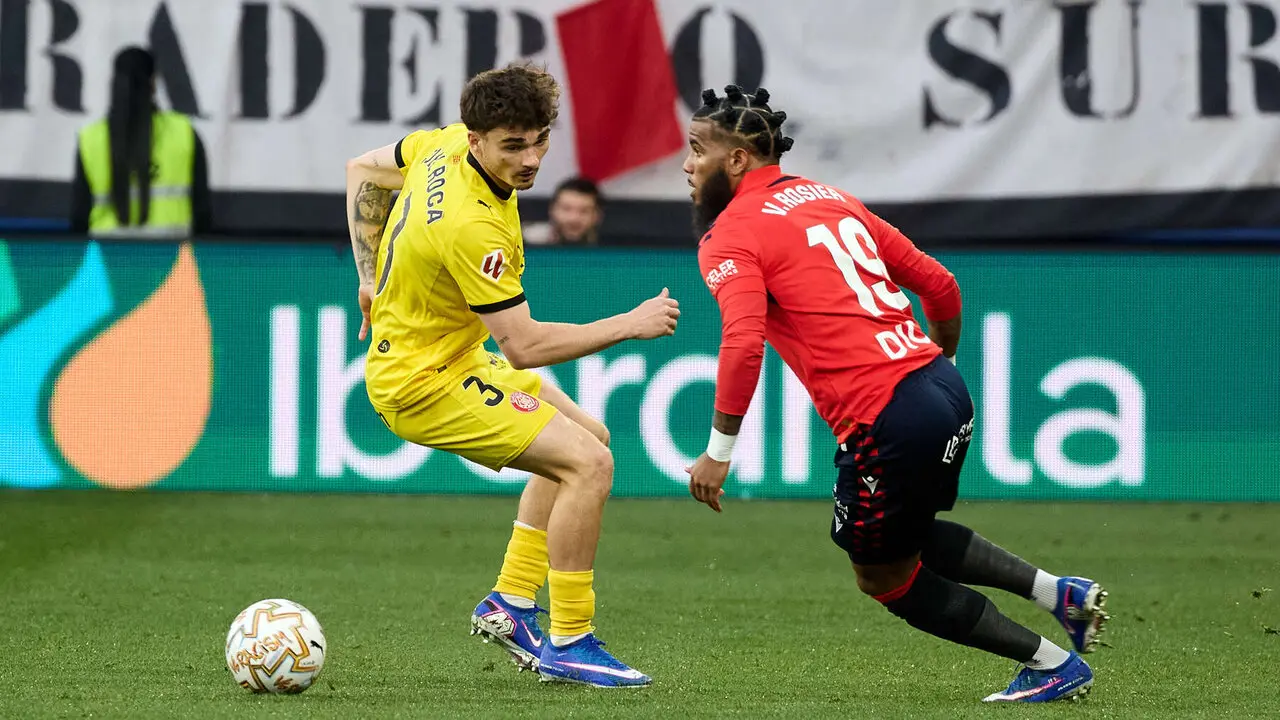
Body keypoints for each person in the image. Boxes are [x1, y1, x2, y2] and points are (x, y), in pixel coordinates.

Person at [682, 86, 1109, 704]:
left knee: (880, 573)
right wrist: (941, 369)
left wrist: (718, 450)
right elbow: (939, 283)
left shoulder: (729, 235)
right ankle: (1058, 593)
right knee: (894, 534)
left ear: (739, 160)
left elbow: (744, 343)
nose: (687, 165)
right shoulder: (831, 198)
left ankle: (1049, 665)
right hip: (942, 388)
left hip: (886, 417)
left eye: (698, 150)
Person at [344, 62, 677, 688]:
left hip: (455, 354)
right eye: (513, 146)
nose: (531, 159)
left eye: (540, 139)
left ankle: (510, 602)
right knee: (590, 467)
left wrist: (367, 275)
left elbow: (362, 171)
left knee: (591, 442)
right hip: (423, 384)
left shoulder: (440, 144)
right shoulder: (470, 224)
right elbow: (524, 345)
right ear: (477, 140)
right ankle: (571, 640)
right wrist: (629, 323)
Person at [70, 47, 211, 237]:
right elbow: (202, 211)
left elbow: (79, 216)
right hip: (174, 257)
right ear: (153, 82)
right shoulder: (184, 133)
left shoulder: (90, 138)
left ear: (114, 82)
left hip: (108, 258)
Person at [524, 176, 604, 246]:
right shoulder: (524, 240)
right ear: (552, 210)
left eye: (584, 211)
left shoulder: (610, 247)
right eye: (566, 209)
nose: (574, 218)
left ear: (597, 215)